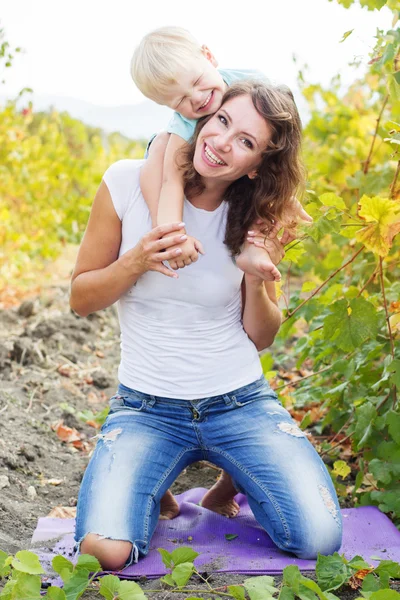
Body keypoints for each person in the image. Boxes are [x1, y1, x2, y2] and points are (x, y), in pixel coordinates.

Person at [70, 81, 342, 571]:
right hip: (146, 407)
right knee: (103, 552)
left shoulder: (258, 214)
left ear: (256, 165)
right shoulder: (126, 183)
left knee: (318, 538)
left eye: (246, 141)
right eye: (222, 122)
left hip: (239, 401)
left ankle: (228, 483)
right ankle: (158, 490)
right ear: (202, 118)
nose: (222, 143)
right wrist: (135, 261)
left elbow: (261, 335)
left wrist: (257, 281)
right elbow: (81, 298)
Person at [131, 26, 313, 283]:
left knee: (257, 174)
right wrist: (175, 236)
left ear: (208, 56)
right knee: (161, 147)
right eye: (180, 100)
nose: (196, 98)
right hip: (181, 157)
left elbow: (278, 132)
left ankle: (254, 249)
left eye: (195, 82)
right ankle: (164, 234)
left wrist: (286, 196)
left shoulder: (250, 82)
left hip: (233, 161)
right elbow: (171, 180)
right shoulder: (182, 126)